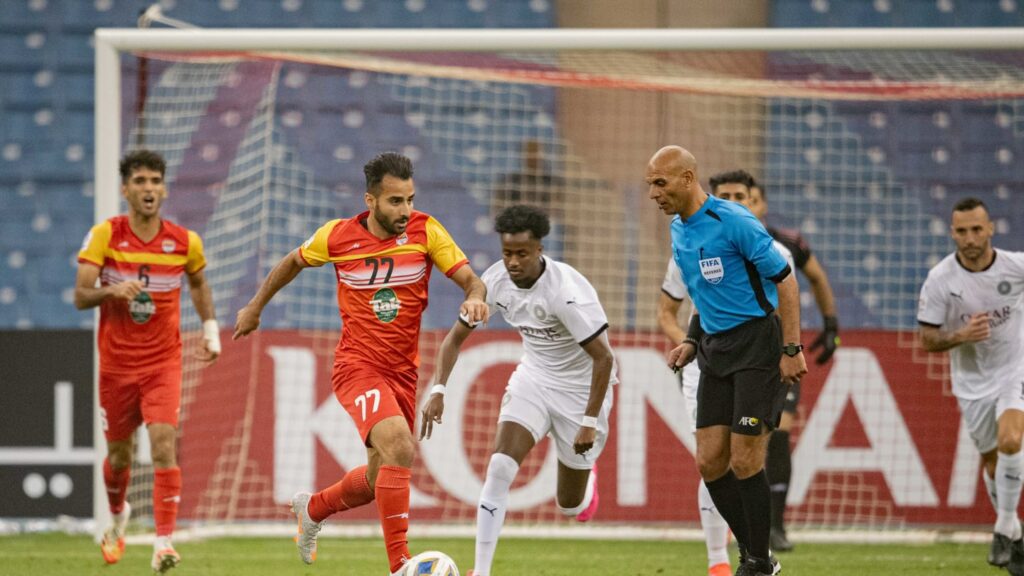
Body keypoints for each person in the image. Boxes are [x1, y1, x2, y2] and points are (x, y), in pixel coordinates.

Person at [233, 152, 487, 576]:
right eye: (394, 202)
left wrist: (476, 296)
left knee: (378, 477)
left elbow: (470, 279)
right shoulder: (337, 237)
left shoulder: (426, 231)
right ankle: (400, 566)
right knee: (401, 447)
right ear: (370, 201)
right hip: (357, 366)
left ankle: (312, 508)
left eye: (408, 199)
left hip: (403, 372)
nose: (405, 210)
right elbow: (294, 260)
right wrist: (256, 306)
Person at [421, 205, 615, 576]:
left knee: (571, 506)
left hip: (579, 391)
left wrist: (589, 420)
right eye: (507, 253)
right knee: (498, 468)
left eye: (522, 254)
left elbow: (603, 359)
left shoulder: (565, 294)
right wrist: (439, 388)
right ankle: (481, 571)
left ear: (540, 250)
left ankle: (587, 482)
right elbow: (453, 340)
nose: (513, 262)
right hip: (534, 379)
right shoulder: (494, 283)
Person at [646, 146, 806, 576]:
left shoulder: (734, 221)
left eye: (659, 183)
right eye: (649, 185)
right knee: (710, 460)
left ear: (686, 177)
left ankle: (755, 560)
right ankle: (759, 557)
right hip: (713, 349)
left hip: (758, 347)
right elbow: (703, 296)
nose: (653, 193)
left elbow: (786, 282)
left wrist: (792, 349)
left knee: (746, 459)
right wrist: (692, 342)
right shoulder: (679, 230)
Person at [75, 149, 221, 573]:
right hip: (116, 367)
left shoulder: (184, 241)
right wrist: (111, 291)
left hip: (162, 363)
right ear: (125, 190)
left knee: (162, 446)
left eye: (155, 181)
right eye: (140, 181)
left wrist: (210, 330)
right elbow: (81, 295)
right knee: (120, 458)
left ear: (164, 188)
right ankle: (118, 517)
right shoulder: (105, 235)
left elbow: (198, 283)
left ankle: (163, 543)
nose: (149, 188)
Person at [917, 197, 1024, 575]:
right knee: (994, 461)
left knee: (1012, 440)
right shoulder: (941, 280)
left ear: (991, 228)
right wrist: (962, 334)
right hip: (972, 382)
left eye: (977, 229)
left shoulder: (1016, 266)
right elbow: (926, 340)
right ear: (952, 233)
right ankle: (1015, 533)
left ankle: (1002, 527)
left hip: (1015, 369)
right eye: (962, 231)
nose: (970, 238)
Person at [747, 179, 839, 552]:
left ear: (764, 206)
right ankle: (745, 524)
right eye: (737, 199)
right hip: (737, 350)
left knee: (780, 433)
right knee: (745, 440)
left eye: (752, 200)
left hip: (780, 349)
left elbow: (816, 276)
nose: (746, 206)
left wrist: (831, 324)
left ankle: (777, 526)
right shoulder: (723, 242)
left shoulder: (786, 244)